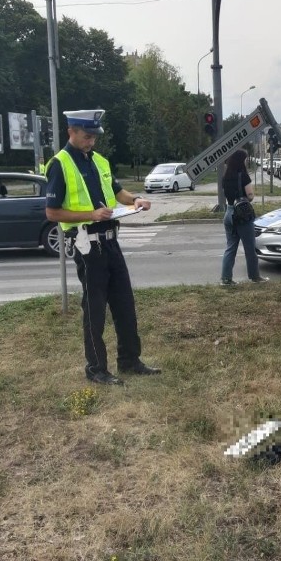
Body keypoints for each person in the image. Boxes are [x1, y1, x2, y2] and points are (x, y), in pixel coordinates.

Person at [45, 109, 160, 385]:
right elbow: (52, 213)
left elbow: (117, 191)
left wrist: (136, 200)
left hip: (111, 242)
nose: (91, 142)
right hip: (88, 246)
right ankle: (96, 369)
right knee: (94, 310)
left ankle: (130, 361)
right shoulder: (59, 164)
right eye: (86, 137)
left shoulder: (99, 161)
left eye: (94, 137)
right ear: (71, 132)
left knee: (124, 304)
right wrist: (91, 215)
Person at [221, 149, 267, 285]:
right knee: (250, 248)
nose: (247, 162)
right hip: (242, 215)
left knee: (230, 248)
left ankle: (226, 279)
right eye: (245, 159)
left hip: (229, 213)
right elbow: (250, 196)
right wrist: (249, 196)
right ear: (241, 161)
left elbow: (227, 195)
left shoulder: (225, 177)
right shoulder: (244, 176)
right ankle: (254, 277)